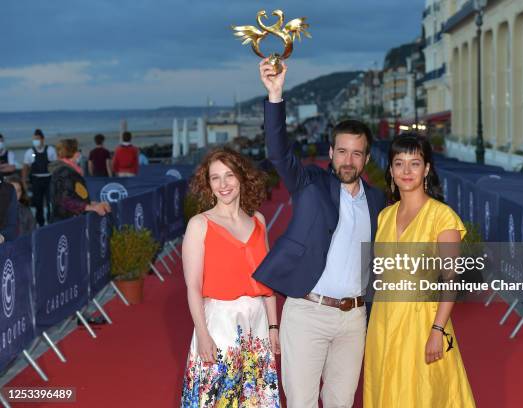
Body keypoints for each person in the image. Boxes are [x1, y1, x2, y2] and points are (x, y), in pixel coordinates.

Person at [253, 59, 387, 407]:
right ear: (330, 153)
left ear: (366, 158)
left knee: (341, 403)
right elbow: (279, 153)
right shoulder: (310, 183)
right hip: (308, 313)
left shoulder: (377, 200)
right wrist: (275, 95)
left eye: (356, 154)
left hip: (354, 319)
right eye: (341, 151)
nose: (348, 160)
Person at [363, 134, 475, 408]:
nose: (406, 171)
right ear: (390, 170)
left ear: (426, 169)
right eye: (399, 163)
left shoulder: (442, 216)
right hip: (383, 322)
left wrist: (438, 330)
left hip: (423, 324)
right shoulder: (385, 216)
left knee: (423, 395)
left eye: (415, 163)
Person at [181, 147, 280, 407]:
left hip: (257, 323)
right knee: (217, 398)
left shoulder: (258, 221)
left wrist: (273, 326)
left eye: (229, 175)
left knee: (255, 398)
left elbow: (267, 280)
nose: (223, 184)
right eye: (215, 178)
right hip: (220, 323)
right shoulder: (199, 224)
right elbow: (192, 286)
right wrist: (202, 334)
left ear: (241, 177)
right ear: (208, 184)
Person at [49, 139, 111, 222]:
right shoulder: (65, 172)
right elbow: (65, 201)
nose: (79, 154)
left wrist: (94, 204)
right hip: (67, 222)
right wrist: (92, 208)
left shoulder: (65, 170)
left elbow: (75, 197)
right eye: (78, 150)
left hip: (67, 219)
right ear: (75, 154)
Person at [22, 129, 56, 226]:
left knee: (50, 201)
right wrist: (24, 181)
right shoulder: (29, 152)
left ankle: (50, 222)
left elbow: (55, 165)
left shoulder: (50, 150)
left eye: (37, 139)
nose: (35, 141)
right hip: (36, 180)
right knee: (38, 203)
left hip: (48, 179)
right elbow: (25, 168)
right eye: (34, 139)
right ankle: (40, 223)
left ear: (43, 139)